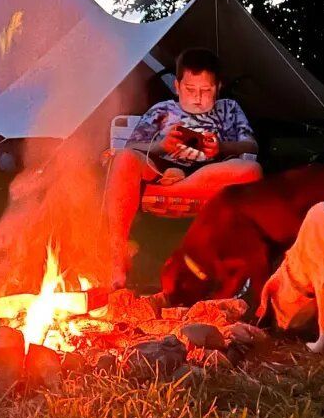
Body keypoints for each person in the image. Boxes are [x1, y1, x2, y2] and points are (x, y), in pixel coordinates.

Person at [104, 47, 263, 288]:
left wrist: (222, 148)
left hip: (206, 177)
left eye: (206, 90)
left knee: (252, 171)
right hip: (159, 170)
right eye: (190, 90)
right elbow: (132, 146)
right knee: (124, 158)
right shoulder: (162, 111)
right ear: (177, 86)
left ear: (218, 87)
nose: (197, 98)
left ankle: (177, 182)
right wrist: (161, 145)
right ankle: (117, 257)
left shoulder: (228, 109)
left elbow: (251, 145)